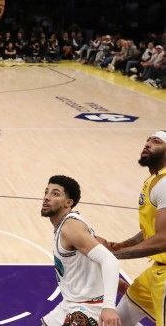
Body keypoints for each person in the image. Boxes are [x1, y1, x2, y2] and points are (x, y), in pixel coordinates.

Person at [40, 175, 121, 326]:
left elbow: (109, 259)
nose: (46, 197)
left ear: (68, 203)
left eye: (55, 194)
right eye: (46, 192)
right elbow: (88, 260)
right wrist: (116, 281)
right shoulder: (65, 225)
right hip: (72, 302)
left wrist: (109, 307)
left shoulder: (70, 227)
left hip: (89, 308)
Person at [104, 131, 166, 326]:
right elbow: (154, 231)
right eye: (148, 140)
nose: (148, 144)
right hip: (157, 272)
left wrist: (114, 256)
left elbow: (164, 239)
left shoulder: (165, 183)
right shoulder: (155, 180)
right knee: (116, 321)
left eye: (156, 142)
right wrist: (123, 245)